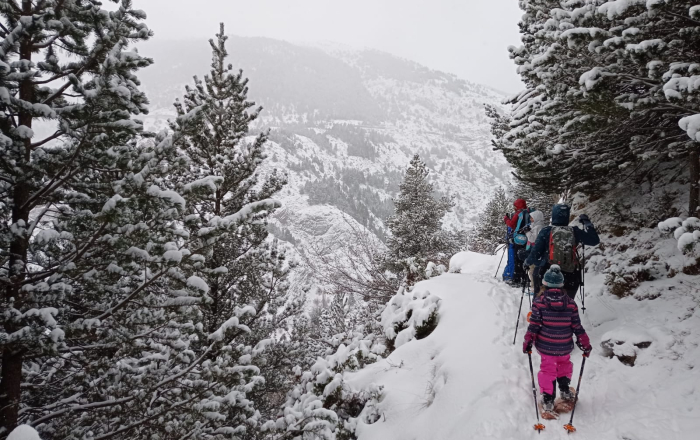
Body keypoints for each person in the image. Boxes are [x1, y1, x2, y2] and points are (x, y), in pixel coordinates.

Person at [523, 265, 592, 416]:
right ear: (562, 285)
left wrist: (527, 341)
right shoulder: (571, 304)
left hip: (546, 347)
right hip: (564, 345)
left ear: (544, 284)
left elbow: (534, 325)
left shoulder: (539, 302)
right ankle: (565, 390)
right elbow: (577, 327)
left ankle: (548, 399)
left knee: (548, 370)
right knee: (564, 365)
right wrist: (585, 344)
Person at [524, 204, 600, 299]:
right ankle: (567, 311)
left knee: (540, 295)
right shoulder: (574, 231)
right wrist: (587, 223)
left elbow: (535, 253)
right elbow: (594, 240)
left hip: (546, 272)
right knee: (567, 298)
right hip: (569, 274)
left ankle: (538, 310)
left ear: (554, 215)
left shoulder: (546, 231)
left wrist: (527, 261)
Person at [503, 199, 531, 285]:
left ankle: (517, 279)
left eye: (515, 206)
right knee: (523, 259)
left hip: (518, 238)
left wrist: (506, 219)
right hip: (526, 238)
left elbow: (511, 224)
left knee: (517, 260)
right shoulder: (528, 212)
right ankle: (525, 278)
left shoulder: (518, 213)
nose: (514, 208)